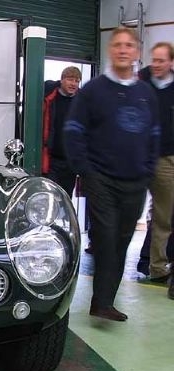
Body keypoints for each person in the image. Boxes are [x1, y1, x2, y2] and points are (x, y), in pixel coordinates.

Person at [64, 26, 160, 321]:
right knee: (105, 239)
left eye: (129, 45)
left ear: (137, 52)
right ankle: (102, 302)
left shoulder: (145, 94)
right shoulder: (93, 91)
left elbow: (154, 134)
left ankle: (104, 302)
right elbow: (73, 131)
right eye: (117, 44)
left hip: (135, 182)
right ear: (110, 50)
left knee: (121, 241)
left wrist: (148, 171)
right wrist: (86, 171)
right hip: (101, 179)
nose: (123, 49)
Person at [135, 42, 174, 300]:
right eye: (155, 60)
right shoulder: (143, 84)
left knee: (163, 215)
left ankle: (157, 265)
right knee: (161, 216)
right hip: (152, 157)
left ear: (171, 62)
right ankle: (156, 266)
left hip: (168, 157)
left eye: (162, 60)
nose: (157, 64)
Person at [42, 66, 82, 198]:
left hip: (71, 162)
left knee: (65, 199)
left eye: (77, 81)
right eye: (70, 79)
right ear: (62, 80)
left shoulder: (82, 102)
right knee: (49, 197)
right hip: (51, 160)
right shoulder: (49, 97)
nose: (73, 84)